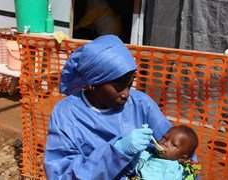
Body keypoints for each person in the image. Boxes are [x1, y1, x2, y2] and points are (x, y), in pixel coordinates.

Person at [44, 35, 197, 179]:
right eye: (119, 87)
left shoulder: (141, 104)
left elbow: (183, 152)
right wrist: (116, 152)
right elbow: (61, 174)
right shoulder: (67, 114)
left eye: (129, 85)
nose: (126, 94)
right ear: (95, 82)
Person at [132, 125, 200, 180]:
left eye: (173, 144)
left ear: (182, 158)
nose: (165, 143)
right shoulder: (152, 152)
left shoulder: (171, 169)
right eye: (165, 138)